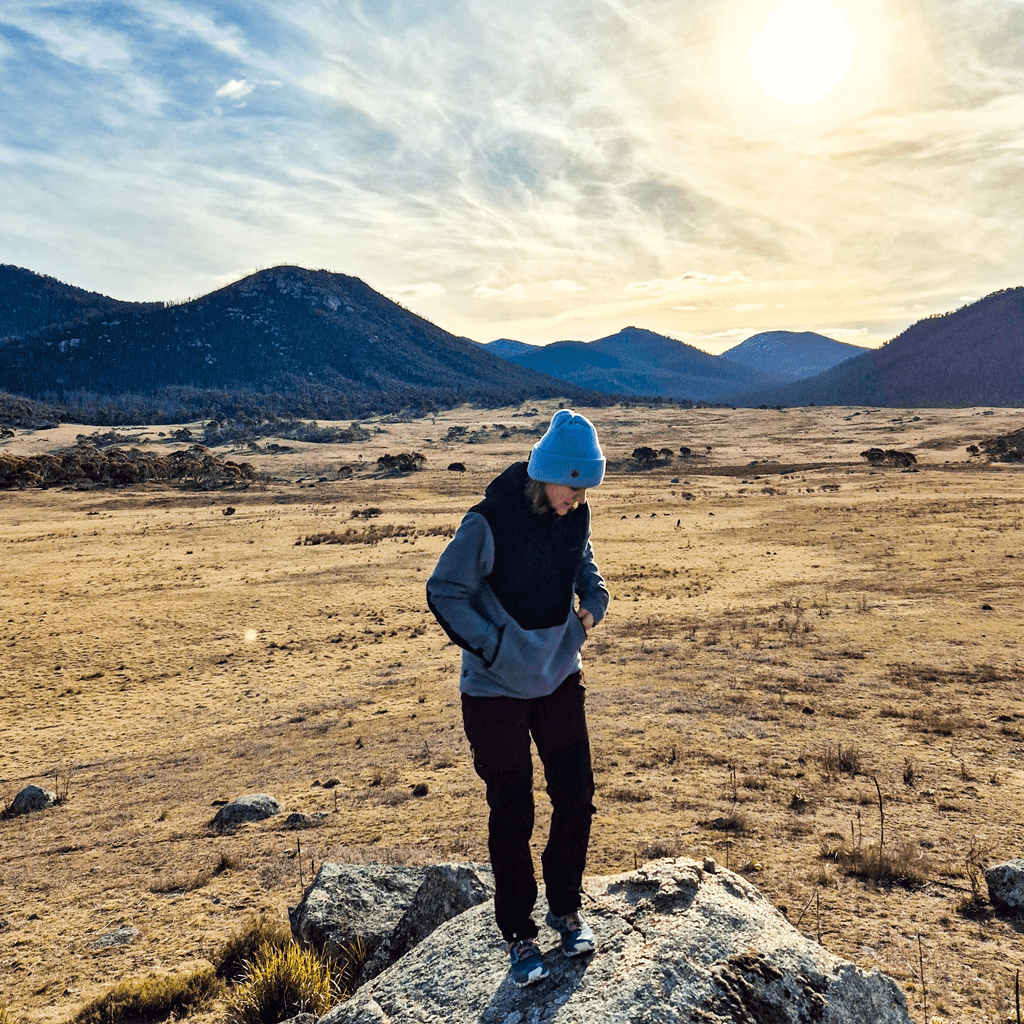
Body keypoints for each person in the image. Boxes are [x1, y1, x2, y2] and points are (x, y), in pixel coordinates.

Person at [426, 409, 610, 987]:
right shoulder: (488, 522)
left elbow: (581, 563)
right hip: (495, 690)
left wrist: (594, 601)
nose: (577, 500)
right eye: (572, 487)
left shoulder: (572, 515)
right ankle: (519, 934)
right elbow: (444, 590)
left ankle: (565, 909)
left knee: (576, 794)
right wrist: (494, 645)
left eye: (585, 491)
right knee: (513, 809)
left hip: (558, 675)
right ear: (547, 473)